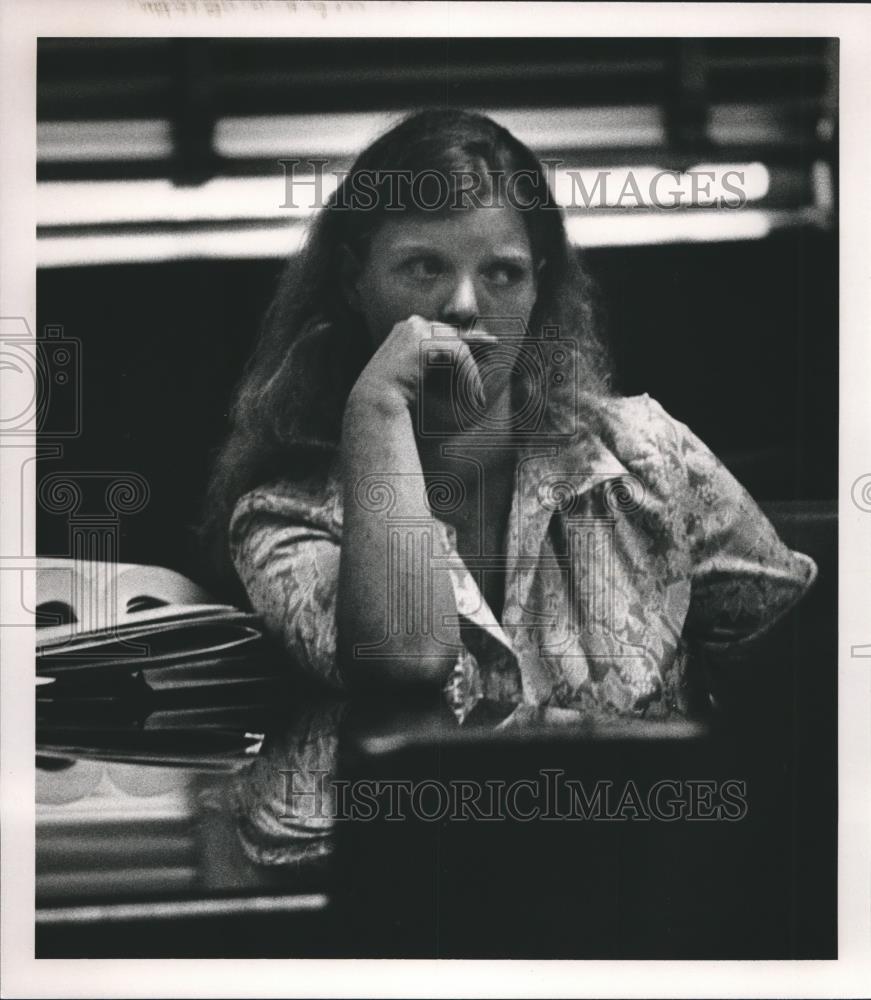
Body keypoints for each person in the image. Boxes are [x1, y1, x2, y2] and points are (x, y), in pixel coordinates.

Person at [203, 108, 817, 727]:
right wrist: (378, 407)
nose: (464, 307)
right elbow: (407, 658)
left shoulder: (645, 456)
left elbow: (808, 664)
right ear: (351, 279)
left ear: (536, 290)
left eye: (502, 272)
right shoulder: (285, 518)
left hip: (644, 821)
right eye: (424, 266)